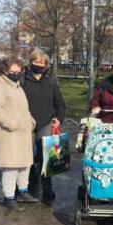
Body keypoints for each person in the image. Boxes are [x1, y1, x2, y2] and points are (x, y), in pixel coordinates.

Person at [0, 59, 38, 210]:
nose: (16, 74)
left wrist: (30, 121)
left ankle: (23, 191)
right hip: (8, 133)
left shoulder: (17, 86)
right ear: (4, 70)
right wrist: (12, 124)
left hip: (23, 132)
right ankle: (9, 197)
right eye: (13, 72)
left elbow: (24, 108)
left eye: (19, 72)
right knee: (11, 166)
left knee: (24, 164)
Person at [21, 48, 66, 202]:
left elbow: (60, 103)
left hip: (46, 123)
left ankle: (47, 186)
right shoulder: (22, 80)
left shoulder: (50, 81)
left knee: (46, 156)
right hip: (26, 123)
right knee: (26, 156)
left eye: (43, 63)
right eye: (36, 62)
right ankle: (25, 184)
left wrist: (59, 118)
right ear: (30, 62)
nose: (39, 65)